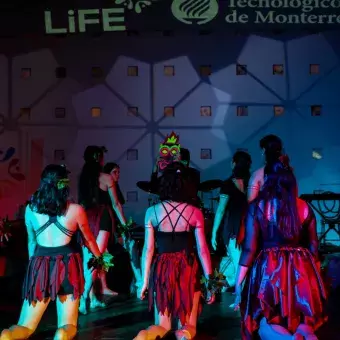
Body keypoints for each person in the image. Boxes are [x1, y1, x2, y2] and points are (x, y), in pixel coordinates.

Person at [0, 164, 102, 340]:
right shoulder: (76, 210)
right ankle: (61, 334)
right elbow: (89, 240)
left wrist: (34, 271)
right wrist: (101, 260)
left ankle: (7, 335)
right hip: (68, 266)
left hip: (40, 264)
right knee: (68, 325)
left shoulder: (31, 210)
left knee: (25, 326)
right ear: (64, 184)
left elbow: (32, 243)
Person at [233, 157, 327, 339]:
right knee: (303, 319)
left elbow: (248, 250)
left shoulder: (257, 207)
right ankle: (305, 335)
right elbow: (314, 245)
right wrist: (315, 277)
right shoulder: (304, 206)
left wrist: (238, 286)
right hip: (302, 266)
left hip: (270, 267)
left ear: (268, 180)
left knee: (266, 319)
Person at [135, 163, 214, 340]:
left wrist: (144, 282)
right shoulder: (195, 212)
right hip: (187, 268)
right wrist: (210, 282)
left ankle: (143, 336)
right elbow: (202, 250)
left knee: (161, 326)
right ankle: (183, 335)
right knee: (188, 326)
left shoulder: (152, 212)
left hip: (162, 269)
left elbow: (148, 250)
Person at [78, 146, 127, 314]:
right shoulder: (106, 178)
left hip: (85, 218)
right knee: (97, 258)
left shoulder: (83, 179)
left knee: (89, 258)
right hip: (102, 218)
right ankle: (84, 297)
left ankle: (92, 299)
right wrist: (125, 225)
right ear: (99, 159)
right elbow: (116, 204)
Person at [211, 151, 252, 289]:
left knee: (240, 267)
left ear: (234, 163)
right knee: (243, 266)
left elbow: (221, 210)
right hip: (249, 229)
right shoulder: (252, 182)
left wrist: (214, 232)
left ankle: (228, 290)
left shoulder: (228, 184)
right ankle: (226, 287)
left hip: (234, 230)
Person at [103, 162, 142, 292]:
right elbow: (116, 206)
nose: (118, 175)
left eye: (119, 172)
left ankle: (137, 281)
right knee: (130, 246)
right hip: (109, 226)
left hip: (115, 225)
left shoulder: (115, 186)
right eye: (115, 172)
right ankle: (138, 282)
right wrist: (125, 227)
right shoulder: (106, 188)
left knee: (132, 247)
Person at [248, 134, 283, 202]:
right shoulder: (289, 173)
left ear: (264, 151)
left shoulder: (257, 175)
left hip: (265, 212)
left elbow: (251, 202)